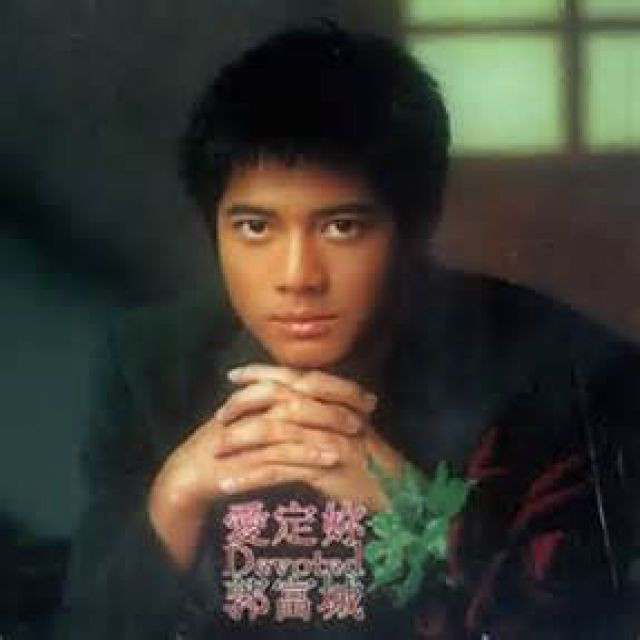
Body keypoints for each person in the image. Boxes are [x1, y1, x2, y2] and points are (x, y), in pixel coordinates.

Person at [60, 24, 640, 639]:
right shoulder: (149, 365)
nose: (297, 277)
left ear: (415, 227)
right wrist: (176, 500)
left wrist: (413, 513)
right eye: (255, 228)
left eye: (342, 227)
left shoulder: (562, 370)